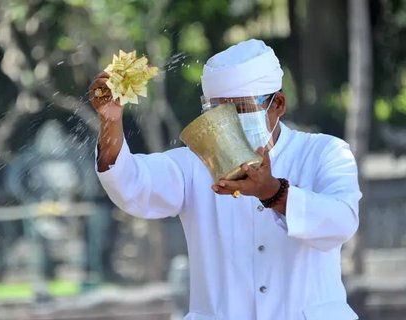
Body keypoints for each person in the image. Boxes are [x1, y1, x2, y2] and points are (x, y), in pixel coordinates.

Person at [89, 39, 361, 320]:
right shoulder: (195, 163)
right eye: (219, 113)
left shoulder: (323, 152)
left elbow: (341, 221)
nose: (229, 122)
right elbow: (131, 185)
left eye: (241, 109)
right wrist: (111, 121)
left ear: (277, 104)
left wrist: (273, 193)